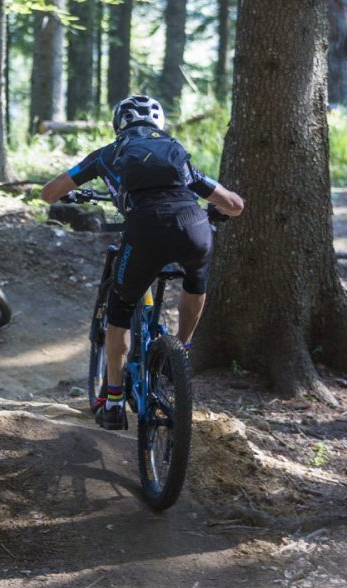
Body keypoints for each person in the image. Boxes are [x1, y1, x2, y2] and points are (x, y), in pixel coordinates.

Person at [40, 95, 245, 429]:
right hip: (193, 227)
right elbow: (234, 204)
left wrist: (70, 195)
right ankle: (183, 348)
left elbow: (49, 193)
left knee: (120, 308)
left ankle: (115, 402)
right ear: (158, 123)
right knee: (196, 278)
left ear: (118, 124)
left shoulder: (107, 154)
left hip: (145, 230)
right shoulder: (177, 153)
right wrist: (216, 212)